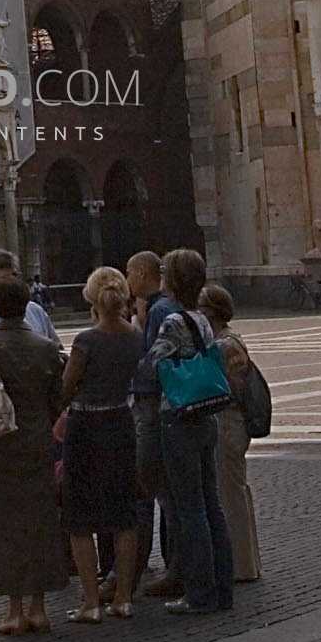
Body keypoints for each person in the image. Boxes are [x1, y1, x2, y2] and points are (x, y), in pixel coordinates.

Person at [0, 274, 67, 635]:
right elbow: (58, 400)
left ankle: (14, 607)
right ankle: (39, 605)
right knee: (39, 521)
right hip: (36, 443)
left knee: (4, 524)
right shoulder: (45, 348)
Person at [151, 248, 234, 616]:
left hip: (180, 415)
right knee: (211, 503)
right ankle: (223, 586)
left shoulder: (171, 322)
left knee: (190, 507)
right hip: (207, 416)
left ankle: (199, 592)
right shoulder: (202, 319)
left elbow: (151, 363)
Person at [58, 266, 143, 620]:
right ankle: (123, 596)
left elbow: (66, 386)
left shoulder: (86, 341)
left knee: (79, 516)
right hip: (121, 422)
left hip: (86, 425)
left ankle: (91, 602)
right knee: (124, 513)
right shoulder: (135, 337)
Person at [127, 248, 181, 598]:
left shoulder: (158, 309)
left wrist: (137, 330)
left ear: (144, 274)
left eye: (130, 273)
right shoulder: (163, 306)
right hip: (164, 408)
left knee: (155, 488)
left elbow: (150, 364)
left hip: (152, 410)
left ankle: (170, 568)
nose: (127, 280)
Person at [201, 282, 260, 583]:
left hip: (228, 423)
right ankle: (246, 561)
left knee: (231, 493)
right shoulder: (229, 340)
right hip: (231, 423)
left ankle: (241, 566)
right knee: (235, 490)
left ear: (211, 312)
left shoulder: (225, 345)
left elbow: (231, 388)